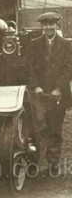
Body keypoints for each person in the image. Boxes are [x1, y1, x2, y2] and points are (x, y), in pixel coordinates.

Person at [29, 11, 72, 175]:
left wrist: (58, 88)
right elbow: (30, 68)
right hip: (39, 93)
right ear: (41, 26)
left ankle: (53, 162)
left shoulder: (66, 44)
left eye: (51, 24)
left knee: (55, 127)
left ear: (57, 25)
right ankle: (34, 162)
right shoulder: (34, 44)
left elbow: (69, 69)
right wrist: (36, 87)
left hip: (58, 94)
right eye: (45, 24)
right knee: (37, 127)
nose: (48, 27)